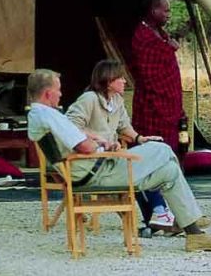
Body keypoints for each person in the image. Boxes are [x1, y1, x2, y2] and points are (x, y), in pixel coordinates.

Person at [27, 68, 211, 252]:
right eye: (58, 90)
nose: (61, 94)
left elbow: (82, 138)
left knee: (169, 171)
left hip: (89, 171)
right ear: (47, 93)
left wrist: (105, 141)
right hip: (98, 172)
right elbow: (84, 147)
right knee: (162, 149)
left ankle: (192, 232)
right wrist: (105, 146)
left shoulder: (38, 115)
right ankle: (185, 216)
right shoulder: (51, 115)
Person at [66, 59, 176, 231]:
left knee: (150, 162)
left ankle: (159, 214)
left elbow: (124, 127)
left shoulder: (117, 100)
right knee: (153, 160)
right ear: (109, 81)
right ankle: (161, 212)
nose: (125, 81)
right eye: (121, 78)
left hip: (113, 156)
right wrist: (97, 139)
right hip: (94, 160)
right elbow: (70, 126)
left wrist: (140, 138)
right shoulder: (89, 99)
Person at [130, 0, 185, 154]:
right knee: (152, 147)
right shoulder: (143, 37)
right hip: (151, 103)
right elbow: (149, 76)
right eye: (166, 11)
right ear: (154, 11)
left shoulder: (161, 34)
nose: (169, 15)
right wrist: (169, 48)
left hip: (170, 104)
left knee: (173, 147)